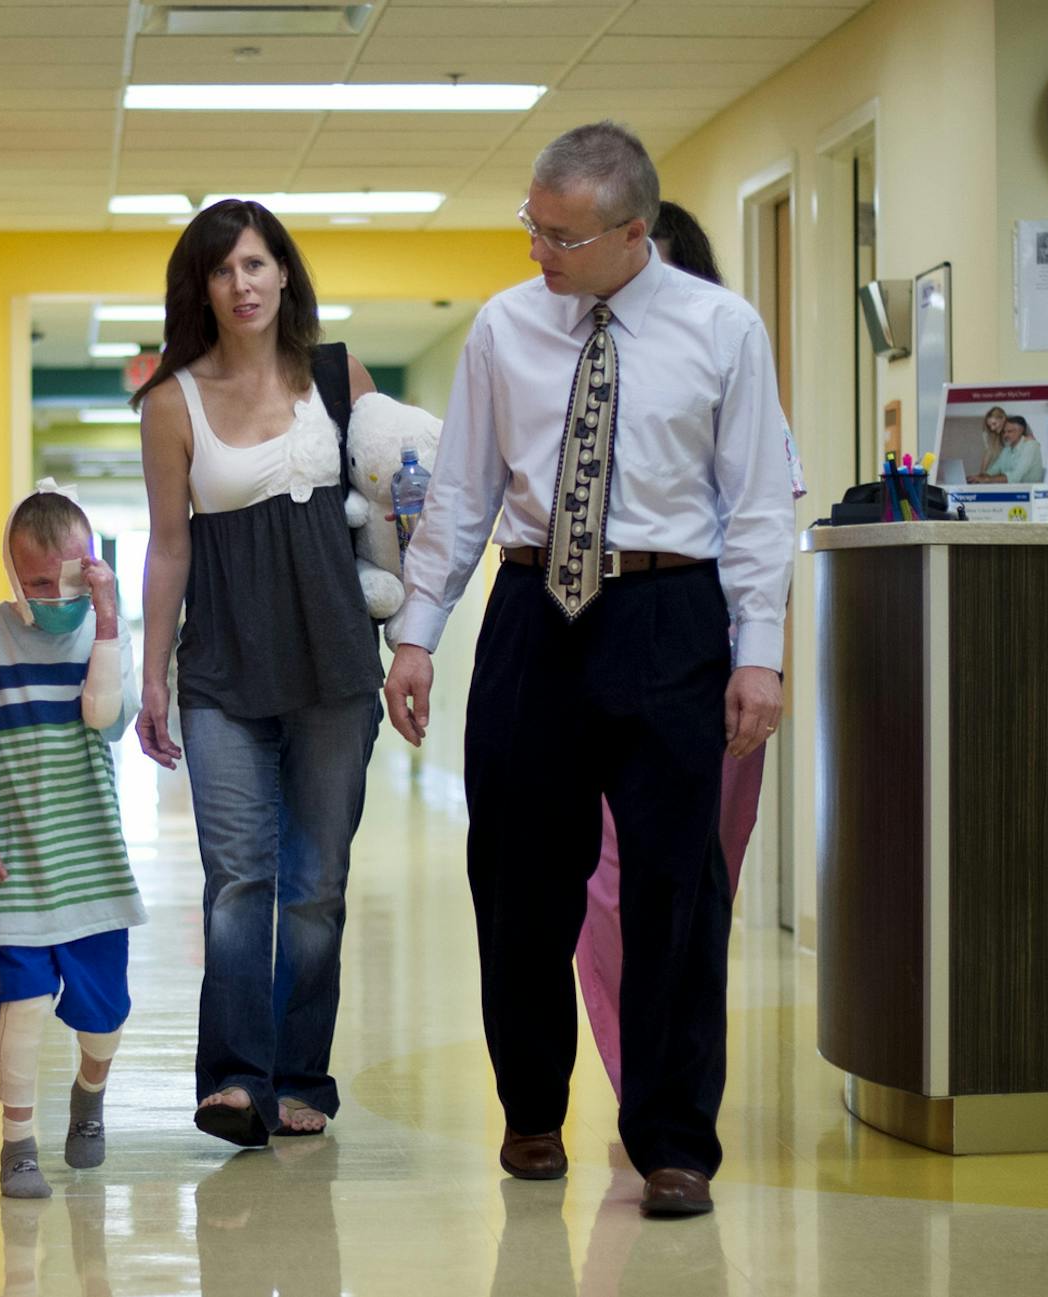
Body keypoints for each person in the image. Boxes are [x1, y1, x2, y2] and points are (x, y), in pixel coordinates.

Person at [383, 122, 795, 1217]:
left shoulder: (722, 330)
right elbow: (462, 494)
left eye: (560, 235)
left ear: (633, 233)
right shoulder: (504, 330)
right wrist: (418, 631)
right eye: (533, 223)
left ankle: (673, 1142)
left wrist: (761, 654)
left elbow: (756, 505)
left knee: (673, 887)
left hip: (672, 613)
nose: (538, 252)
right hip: (534, 618)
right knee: (518, 881)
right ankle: (530, 1110)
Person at [133, 199, 384, 1147]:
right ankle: (236, 1078)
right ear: (199, 288)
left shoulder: (337, 376)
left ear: (284, 273)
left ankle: (299, 1074)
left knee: (315, 883)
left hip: (334, 668)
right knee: (238, 878)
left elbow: (389, 506)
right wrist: (152, 675)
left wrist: (410, 639)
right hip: (224, 675)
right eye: (222, 270)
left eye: (256, 264)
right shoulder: (173, 401)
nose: (242, 284)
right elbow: (167, 549)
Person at [574, 199, 808, 1101]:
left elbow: (764, 520)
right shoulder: (566, 366)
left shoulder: (731, 367)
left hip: (710, 646)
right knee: (606, 879)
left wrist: (764, 655)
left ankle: (673, 1067)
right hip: (592, 640)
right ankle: (641, 1077)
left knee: (698, 867)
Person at [0, 483, 145, 1198]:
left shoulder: (101, 631)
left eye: (69, 577)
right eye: (37, 581)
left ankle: (89, 1095)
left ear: (91, 564)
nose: (54, 594)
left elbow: (105, 717)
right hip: (11, 857)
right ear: (15, 575)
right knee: (22, 1007)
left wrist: (106, 617)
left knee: (102, 1013)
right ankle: (18, 1144)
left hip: (89, 856)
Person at [970, 414, 1045, 484]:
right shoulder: (1007, 448)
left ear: (1020, 431)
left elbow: (1015, 477)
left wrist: (987, 480)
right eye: (1004, 432)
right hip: (1012, 489)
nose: (1005, 435)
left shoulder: (1031, 446)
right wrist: (978, 478)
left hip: (1027, 492)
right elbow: (995, 469)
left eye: (1009, 431)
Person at [976, 405, 1008, 478]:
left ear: (1003, 418)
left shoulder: (1015, 429)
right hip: (997, 472)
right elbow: (988, 453)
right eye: (990, 426)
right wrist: (981, 474)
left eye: (994, 424)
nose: (992, 428)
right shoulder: (989, 434)